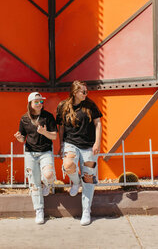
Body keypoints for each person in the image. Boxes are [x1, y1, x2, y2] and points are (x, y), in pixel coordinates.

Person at [56, 80, 102, 226]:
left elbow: (98, 123)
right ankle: (76, 182)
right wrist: (61, 145)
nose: (86, 94)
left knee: (88, 178)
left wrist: (97, 143)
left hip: (89, 146)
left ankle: (86, 211)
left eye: (86, 91)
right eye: (83, 91)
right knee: (68, 164)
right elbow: (61, 128)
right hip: (71, 143)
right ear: (75, 92)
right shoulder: (63, 106)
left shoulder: (90, 105)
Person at [14, 92, 57, 224]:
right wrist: (20, 138)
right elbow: (22, 137)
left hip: (45, 152)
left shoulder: (48, 117)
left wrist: (44, 132)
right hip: (30, 153)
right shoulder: (24, 118)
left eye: (41, 102)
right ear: (30, 104)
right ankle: (39, 210)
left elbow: (54, 136)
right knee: (34, 183)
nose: (39, 104)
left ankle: (47, 184)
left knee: (49, 175)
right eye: (36, 102)